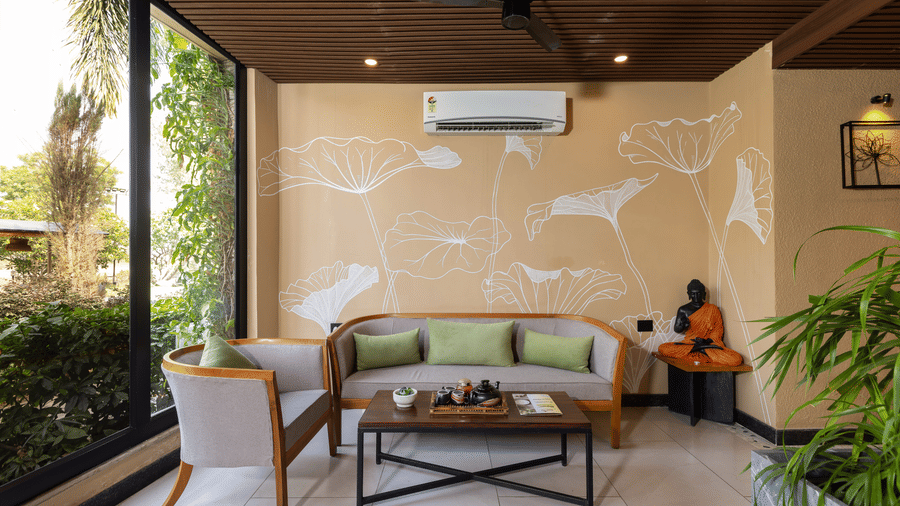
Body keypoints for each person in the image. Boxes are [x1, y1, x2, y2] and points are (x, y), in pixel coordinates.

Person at [657, 279, 743, 367]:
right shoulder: (683, 309)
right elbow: (677, 329)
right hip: (690, 343)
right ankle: (699, 348)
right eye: (693, 294)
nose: (696, 296)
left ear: (704, 294)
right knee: (663, 348)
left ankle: (700, 349)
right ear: (689, 294)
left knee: (736, 359)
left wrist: (706, 341)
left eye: (698, 293)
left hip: (708, 345)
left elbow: (718, 331)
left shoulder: (713, 309)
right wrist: (682, 326)